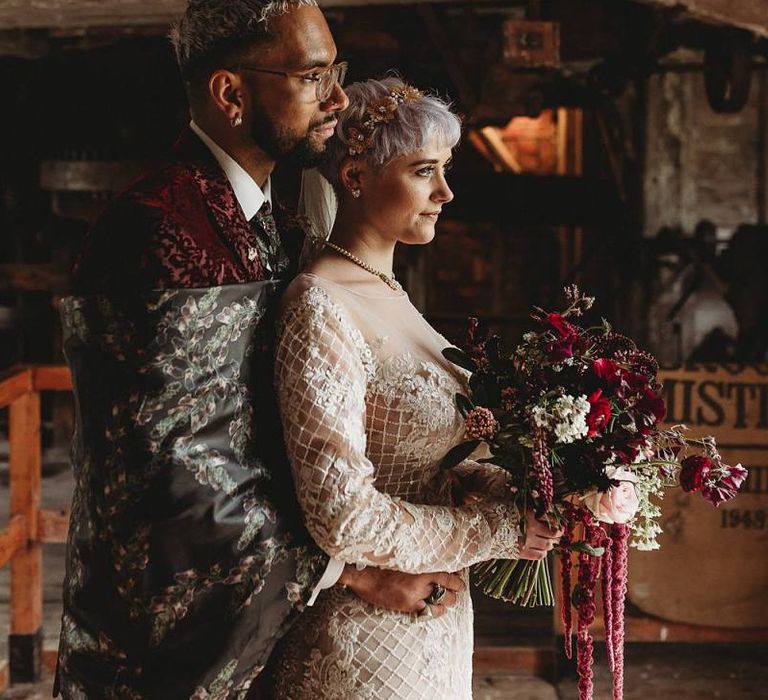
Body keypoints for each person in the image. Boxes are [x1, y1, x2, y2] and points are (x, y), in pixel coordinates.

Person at [55, 3, 464, 698]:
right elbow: (176, 476)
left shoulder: (272, 221)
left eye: (335, 72)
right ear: (231, 94)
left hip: (261, 631)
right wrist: (353, 571)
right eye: (312, 76)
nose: (337, 98)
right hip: (165, 651)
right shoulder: (159, 231)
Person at [268, 77, 563, 699]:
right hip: (364, 646)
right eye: (424, 171)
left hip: (433, 623)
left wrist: (545, 487)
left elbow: (429, 462)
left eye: (445, 170)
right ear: (353, 177)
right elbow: (341, 514)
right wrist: (500, 531)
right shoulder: (321, 304)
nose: (445, 193)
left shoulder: (391, 294)